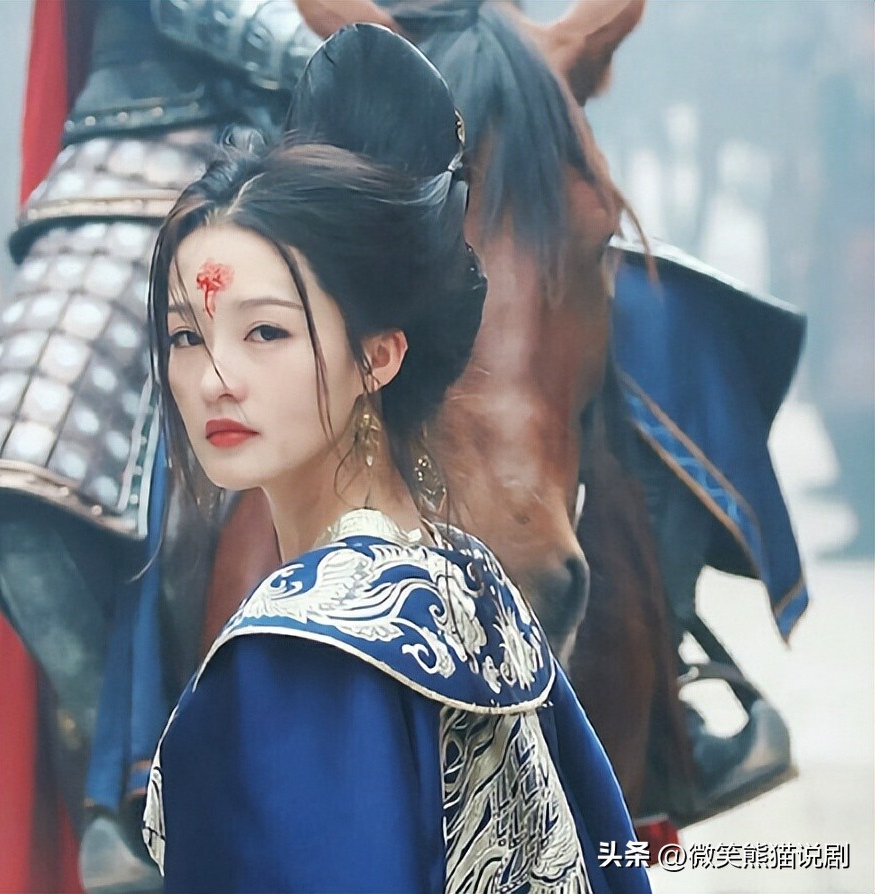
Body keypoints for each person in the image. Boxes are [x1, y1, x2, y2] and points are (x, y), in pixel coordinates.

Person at [140, 24, 649, 894]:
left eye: (265, 332)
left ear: (378, 354)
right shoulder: (480, 589)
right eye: (187, 337)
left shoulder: (299, 652)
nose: (215, 379)